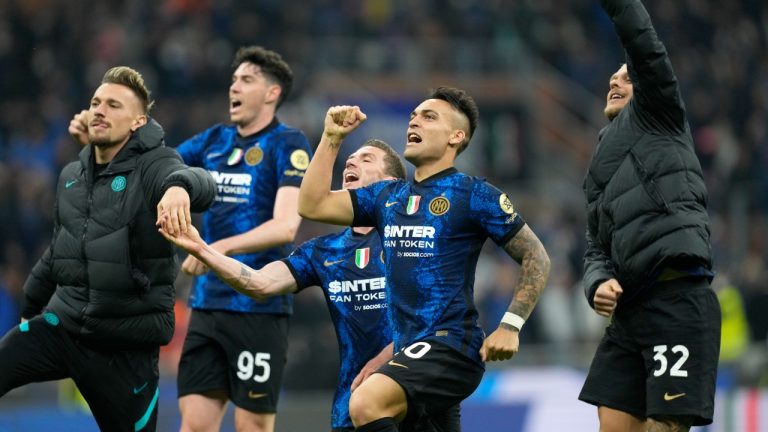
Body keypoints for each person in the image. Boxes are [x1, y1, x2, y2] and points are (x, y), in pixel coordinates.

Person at [298, 87, 551, 432]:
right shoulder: (387, 196)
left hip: (450, 346)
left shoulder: (473, 194)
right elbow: (313, 205)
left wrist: (510, 325)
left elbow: (535, 255)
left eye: (429, 116)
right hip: (408, 355)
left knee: (366, 403)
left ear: (456, 137)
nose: (414, 120)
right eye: (414, 115)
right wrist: (331, 138)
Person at [0, 66, 216, 432]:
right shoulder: (72, 175)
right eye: (96, 102)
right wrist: (31, 309)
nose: (100, 109)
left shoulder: (154, 163)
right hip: (63, 328)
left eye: (114, 105)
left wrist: (179, 188)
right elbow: (59, 252)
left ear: (137, 122)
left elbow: (201, 181)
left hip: (124, 347)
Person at [161, 139, 406, 432]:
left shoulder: (408, 239)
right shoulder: (326, 251)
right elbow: (261, 282)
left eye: (366, 160)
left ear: (390, 182)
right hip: (352, 401)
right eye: (350, 159)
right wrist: (202, 248)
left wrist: (388, 356)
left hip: (409, 385)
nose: (351, 163)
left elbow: (436, 311)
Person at [578, 0, 721, 430]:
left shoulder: (660, 115)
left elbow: (643, 44)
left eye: (626, 75)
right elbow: (595, 248)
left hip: (676, 298)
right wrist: (597, 283)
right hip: (628, 317)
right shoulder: (598, 166)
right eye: (612, 76)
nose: (615, 79)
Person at [173, 46, 313, 432]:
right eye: (234, 79)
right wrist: (176, 189)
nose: (234, 85)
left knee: (252, 425)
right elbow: (163, 166)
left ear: (272, 93)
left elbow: (286, 226)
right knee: (195, 425)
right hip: (207, 304)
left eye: (246, 79)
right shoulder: (213, 140)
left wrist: (215, 249)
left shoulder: (289, 144)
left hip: (259, 308)